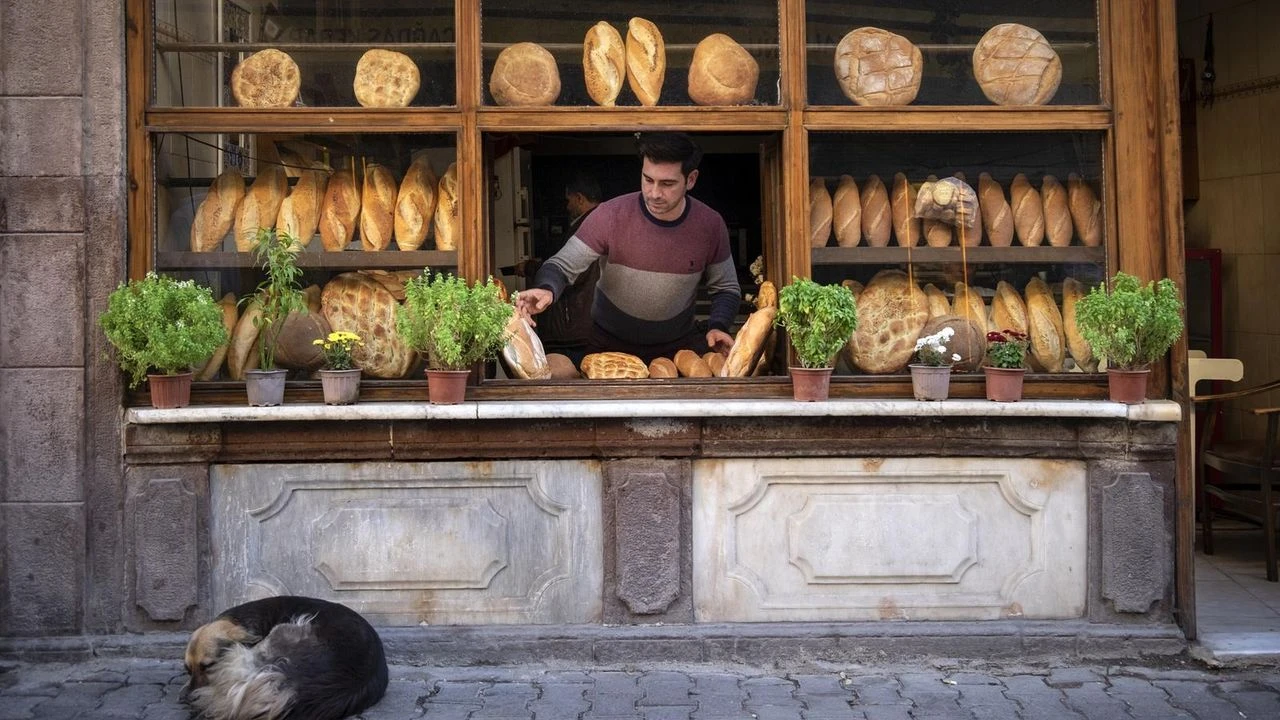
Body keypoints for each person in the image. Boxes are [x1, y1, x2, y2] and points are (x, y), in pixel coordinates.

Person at [517, 133, 740, 365]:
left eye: (667, 184)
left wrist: (719, 325)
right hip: (607, 348)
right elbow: (561, 265)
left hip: (677, 352)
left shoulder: (710, 225)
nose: (654, 193)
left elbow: (726, 287)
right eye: (648, 179)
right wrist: (547, 288)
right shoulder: (609, 215)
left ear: (691, 179)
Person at [514, 173, 604, 366]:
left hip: (576, 327)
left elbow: (572, 271)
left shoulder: (587, 227)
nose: (567, 206)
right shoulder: (601, 222)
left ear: (579, 198)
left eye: (568, 200)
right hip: (588, 325)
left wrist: (531, 268)